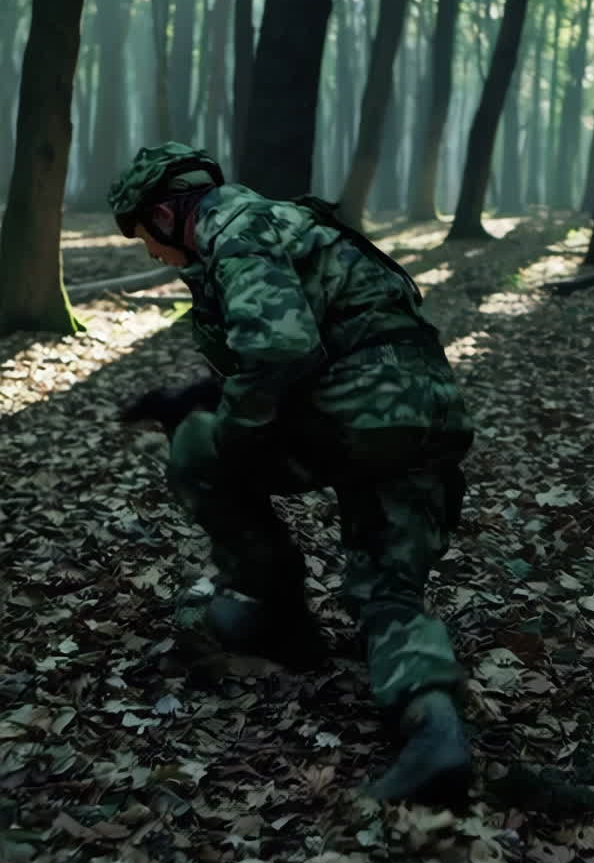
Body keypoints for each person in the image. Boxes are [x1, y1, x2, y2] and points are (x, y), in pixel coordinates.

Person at [109, 142, 474, 805]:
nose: (154, 256)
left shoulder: (234, 232)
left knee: (197, 449)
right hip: (427, 417)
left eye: (146, 240)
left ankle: (278, 613)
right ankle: (433, 729)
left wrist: (226, 430)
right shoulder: (288, 224)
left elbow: (280, 348)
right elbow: (324, 337)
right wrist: (203, 393)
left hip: (354, 419)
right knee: (387, 592)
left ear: (163, 216)